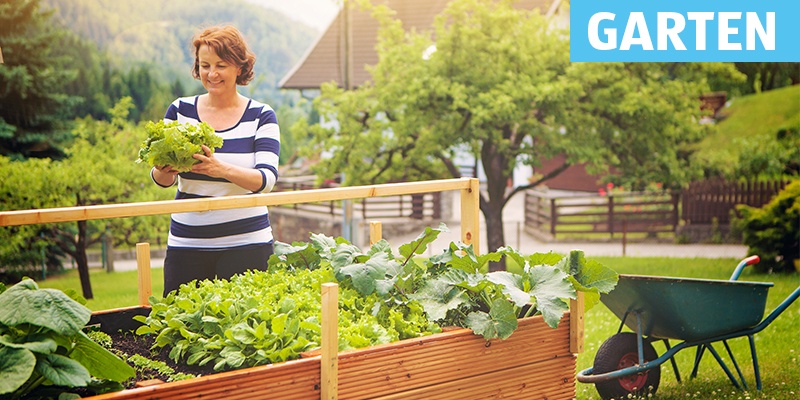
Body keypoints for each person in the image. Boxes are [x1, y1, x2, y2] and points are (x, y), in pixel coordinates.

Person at [150, 25, 280, 296]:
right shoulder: (180, 110)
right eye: (205, 65)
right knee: (180, 327)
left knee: (244, 330)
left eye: (221, 65)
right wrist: (163, 170)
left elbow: (266, 181)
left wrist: (219, 169)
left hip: (248, 244)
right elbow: (162, 180)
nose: (212, 74)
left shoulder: (261, 116)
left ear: (239, 68)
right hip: (187, 243)